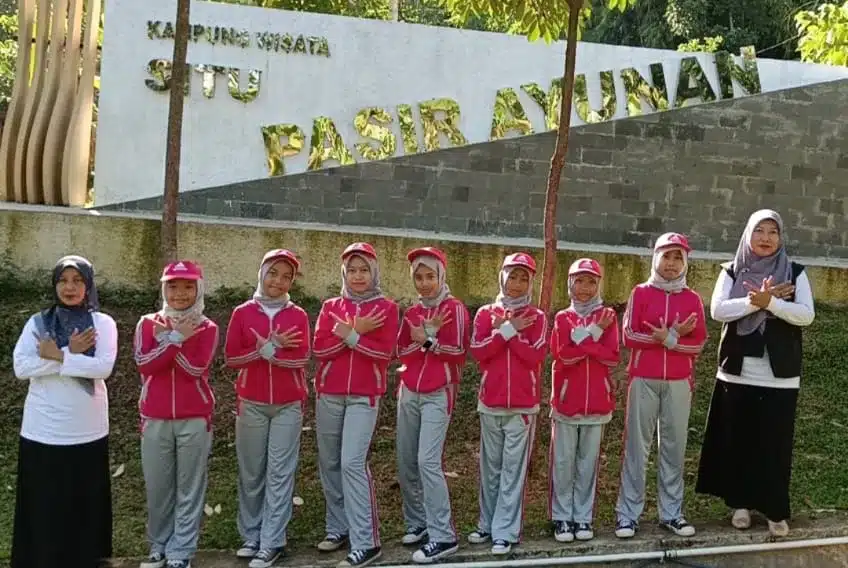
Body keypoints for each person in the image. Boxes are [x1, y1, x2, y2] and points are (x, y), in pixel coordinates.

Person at [695, 209, 815, 537]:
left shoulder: (795, 272)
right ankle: (741, 505)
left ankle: (775, 510)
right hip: (737, 373)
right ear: (748, 235)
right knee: (740, 442)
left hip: (781, 376)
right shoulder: (732, 270)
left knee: (774, 445)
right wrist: (757, 300)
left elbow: (806, 315)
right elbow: (719, 310)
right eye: (759, 231)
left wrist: (772, 304)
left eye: (772, 231)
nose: (765, 238)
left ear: (781, 237)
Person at [11, 255, 118, 568]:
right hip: (43, 431)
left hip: (88, 430)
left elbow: (102, 368)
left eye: (78, 280)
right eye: (63, 280)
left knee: (84, 509)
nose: (70, 287)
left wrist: (56, 355)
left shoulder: (103, 324)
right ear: (54, 284)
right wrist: (71, 354)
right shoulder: (38, 323)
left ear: (89, 285)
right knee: (44, 508)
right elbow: (22, 367)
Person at [312, 242, 400, 568]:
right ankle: (339, 527)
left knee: (351, 462)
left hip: (364, 397)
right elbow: (319, 350)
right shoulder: (330, 306)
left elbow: (384, 354)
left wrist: (351, 336)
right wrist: (354, 334)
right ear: (344, 273)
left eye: (364, 270)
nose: (358, 276)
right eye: (352, 270)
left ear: (374, 273)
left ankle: (367, 541)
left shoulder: (386, 309)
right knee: (330, 462)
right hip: (329, 394)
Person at [616, 233, 708, 540]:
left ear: (685, 263)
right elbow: (629, 336)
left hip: (679, 382)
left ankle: (671, 513)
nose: (671, 264)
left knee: (673, 447)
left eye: (677, 258)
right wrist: (672, 337)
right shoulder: (641, 293)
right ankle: (628, 514)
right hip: (643, 378)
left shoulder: (692, 299)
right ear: (655, 258)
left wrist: (668, 338)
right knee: (636, 447)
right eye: (666, 256)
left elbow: (698, 345)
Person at [225, 249, 311, 568]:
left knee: (280, 472)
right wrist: (262, 350)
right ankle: (251, 534)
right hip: (251, 403)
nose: (278, 281)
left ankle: (272, 540)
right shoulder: (242, 313)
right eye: (273, 273)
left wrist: (272, 351)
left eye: (286, 276)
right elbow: (232, 358)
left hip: (288, 405)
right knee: (252, 471)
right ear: (262, 273)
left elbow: (303, 358)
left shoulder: (297, 315)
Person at [134, 260, 219, 568]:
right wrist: (174, 339)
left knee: (189, 487)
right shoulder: (147, 323)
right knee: (158, 487)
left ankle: (181, 550)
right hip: (154, 417)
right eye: (173, 286)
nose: (180, 293)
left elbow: (195, 369)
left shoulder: (207, 328)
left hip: (194, 418)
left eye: (188, 287)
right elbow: (145, 364)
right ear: (163, 288)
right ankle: (158, 545)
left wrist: (173, 340)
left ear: (199, 289)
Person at [468, 252, 547, 556]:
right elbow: (479, 352)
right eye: (512, 276)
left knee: (513, 471)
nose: (516, 283)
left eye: (523, 278)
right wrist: (507, 329)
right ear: (502, 277)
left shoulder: (537, 317)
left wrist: (509, 331)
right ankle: (486, 524)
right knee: (490, 468)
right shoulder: (485, 313)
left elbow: (534, 356)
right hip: (491, 402)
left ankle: (505, 531)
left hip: (523, 407)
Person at [395, 247, 470, 564]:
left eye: (430, 276)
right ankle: (419, 523)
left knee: (427, 460)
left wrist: (427, 339)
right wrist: (422, 339)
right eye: (419, 277)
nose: (425, 283)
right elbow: (401, 351)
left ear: (441, 276)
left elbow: (459, 352)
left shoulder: (455, 309)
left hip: (439, 392)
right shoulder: (412, 311)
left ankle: (443, 535)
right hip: (409, 390)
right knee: (406, 461)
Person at [548, 258, 620, 543]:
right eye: (579, 281)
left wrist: (584, 339)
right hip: (566, 403)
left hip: (598, 403)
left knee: (588, 463)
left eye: (591, 282)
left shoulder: (608, 316)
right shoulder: (563, 318)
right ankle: (561, 517)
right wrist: (595, 334)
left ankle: (583, 517)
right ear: (570, 283)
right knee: (563, 462)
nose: (585, 288)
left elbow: (611, 357)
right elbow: (563, 355)